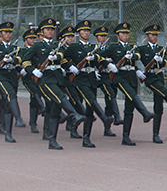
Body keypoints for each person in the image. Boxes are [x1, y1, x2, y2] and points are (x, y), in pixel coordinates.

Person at [21, 18, 86, 150]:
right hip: (45, 80)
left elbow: (61, 56)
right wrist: (33, 70)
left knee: (55, 110)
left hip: (57, 78)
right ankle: (74, 115)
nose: (50, 31)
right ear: (42, 32)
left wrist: (69, 67)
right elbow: (25, 60)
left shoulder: (58, 45)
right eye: (47, 30)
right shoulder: (37, 46)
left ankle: (52, 140)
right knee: (60, 96)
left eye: (51, 30)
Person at [100, 22, 154, 146]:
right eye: (123, 33)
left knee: (129, 107)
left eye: (127, 33)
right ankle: (145, 112)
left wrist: (132, 56)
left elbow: (138, 56)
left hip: (131, 77)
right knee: (131, 94)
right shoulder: (113, 47)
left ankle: (126, 137)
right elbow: (99, 56)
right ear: (118, 35)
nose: (125, 35)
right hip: (119, 77)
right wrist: (108, 64)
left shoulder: (132, 46)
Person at [64, 20, 114, 148]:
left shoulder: (93, 47)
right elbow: (62, 57)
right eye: (83, 31)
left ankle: (86, 138)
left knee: (89, 110)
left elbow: (99, 59)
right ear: (78, 33)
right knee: (90, 100)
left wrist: (106, 64)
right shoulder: (74, 47)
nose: (86, 33)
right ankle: (103, 117)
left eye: (87, 31)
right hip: (80, 79)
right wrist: (70, 67)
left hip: (91, 78)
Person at [137, 24, 167, 143]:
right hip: (149, 77)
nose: (155, 37)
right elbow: (132, 59)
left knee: (158, 105)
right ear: (147, 36)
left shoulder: (161, 48)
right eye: (152, 35)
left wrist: (160, 61)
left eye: (156, 35)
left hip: (159, 75)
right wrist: (137, 71)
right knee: (165, 91)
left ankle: (155, 134)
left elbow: (164, 63)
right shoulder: (142, 49)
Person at [94, 25, 123, 136]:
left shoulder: (109, 48)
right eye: (101, 36)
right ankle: (117, 116)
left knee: (109, 99)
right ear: (96, 38)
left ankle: (108, 128)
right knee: (92, 101)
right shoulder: (93, 48)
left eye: (105, 36)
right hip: (95, 75)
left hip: (106, 76)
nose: (103, 38)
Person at [19, 27, 46, 134]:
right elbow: (19, 61)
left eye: (34, 38)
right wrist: (22, 70)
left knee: (34, 99)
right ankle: (42, 109)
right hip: (28, 78)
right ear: (25, 40)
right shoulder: (21, 50)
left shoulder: (38, 48)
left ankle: (33, 122)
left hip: (38, 77)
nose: (32, 40)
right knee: (35, 93)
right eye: (30, 38)